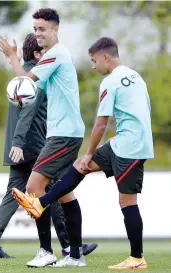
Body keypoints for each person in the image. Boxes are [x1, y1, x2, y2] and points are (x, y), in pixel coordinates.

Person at [13, 37, 154, 270]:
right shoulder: (135, 76)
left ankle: (137, 258)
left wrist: (89, 152)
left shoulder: (110, 82)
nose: (93, 66)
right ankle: (44, 207)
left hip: (131, 148)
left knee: (126, 200)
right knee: (80, 167)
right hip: (126, 141)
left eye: (94, 61)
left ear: (106, 57)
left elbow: (100, 124)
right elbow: (142, 109)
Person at [0, 33, 97, 261]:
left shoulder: (20, 78)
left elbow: (23, 91)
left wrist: (13, 58)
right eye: (43, 52)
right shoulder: (41, 76)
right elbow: (29, 110)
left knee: (14, 194)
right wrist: (20, 142)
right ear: (37, 54)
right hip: (34, 146)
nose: (47, 55)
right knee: (48, 190)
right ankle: (66, 246)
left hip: (18, 147)